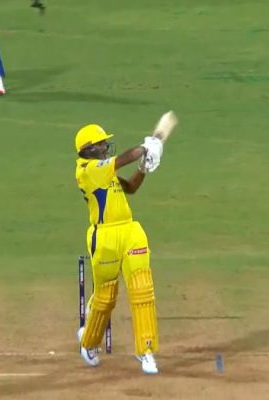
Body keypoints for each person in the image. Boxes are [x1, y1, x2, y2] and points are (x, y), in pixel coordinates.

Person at [74, 123, 164, 374]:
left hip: (130, 231)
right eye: (101, 143)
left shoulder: (105, 172)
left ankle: (145, 350)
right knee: (106, 297)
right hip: (104, 237)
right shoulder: (88, 171)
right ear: (89, 149)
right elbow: (123, 159)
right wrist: (145, 147)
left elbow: (131, 188)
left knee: (142, 289)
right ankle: (89, 342)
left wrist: (143, 167)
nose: (105, 146)